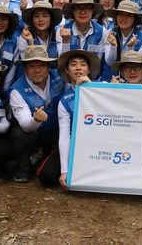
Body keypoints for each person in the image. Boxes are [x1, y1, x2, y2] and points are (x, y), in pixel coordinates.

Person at [6, 46, 65, 184]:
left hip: (54, 128)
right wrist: (36, 119)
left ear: (49, 67)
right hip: (32, 131)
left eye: (42, 66)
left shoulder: (60, 77)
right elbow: (25, 124)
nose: (37, 70)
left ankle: (48, 159)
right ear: (25, 69)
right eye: (32, 66)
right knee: (22, 134)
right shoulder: (17, 90)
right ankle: (24, 168)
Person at [56, 49, 101, 190]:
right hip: (78, 146)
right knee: (47, 175)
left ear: (89, 69)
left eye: (83, 64)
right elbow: (65, 136)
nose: (78, 68)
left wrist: (91, 88)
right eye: (73, 64)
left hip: (102, 146)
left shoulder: (103, 89)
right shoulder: (64, 101)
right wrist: (65, 170)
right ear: (67, 71)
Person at [57, 0, 111, 79]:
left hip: (92, 79)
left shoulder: (102, 31)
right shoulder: (62, 30)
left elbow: (97, 62)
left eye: (87, 8)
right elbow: (62, 61)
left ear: (93, 10)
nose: (82, 12)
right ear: (72, 11)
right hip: (68, 79)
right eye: (78, 8)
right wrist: (65, 41)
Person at [106, 0, 142, 82]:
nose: (124, 18)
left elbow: (135, 63)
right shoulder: (109, 33)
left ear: (135, 19)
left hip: (132, 79)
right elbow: (110, 62)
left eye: (129, 15)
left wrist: (129, 48)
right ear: (116, 16)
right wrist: (113, 46)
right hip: (111, 78)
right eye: (120, 14)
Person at [19, 1, 63, 66]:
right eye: (36, 16)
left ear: (51, 18)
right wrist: (31, 43)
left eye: (45, 16)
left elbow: (63, 60)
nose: (40, 20)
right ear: (32, 19)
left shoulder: (58, 35)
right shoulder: (24, 38)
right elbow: (29, 65)